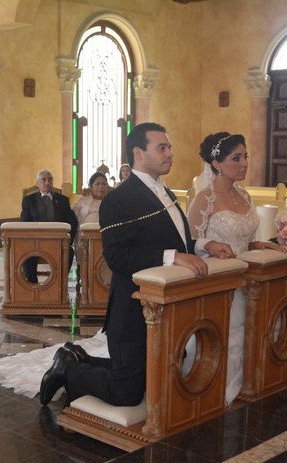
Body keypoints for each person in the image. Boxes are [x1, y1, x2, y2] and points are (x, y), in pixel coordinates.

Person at [36, 122, 234, 407]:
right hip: (132, 310)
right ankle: (69, 368)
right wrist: (172, 257)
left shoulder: (165, 192)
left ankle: (78, 357)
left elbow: (178, 240)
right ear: (138, 152)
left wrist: (204, 245)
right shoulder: (119, 199)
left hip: (167, 304)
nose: (170, 153)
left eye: (170, 147)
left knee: (154, 374)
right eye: (162, 147)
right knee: (126, 393)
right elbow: (118, 257)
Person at [187, 131, 286, 405]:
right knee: (229, 336)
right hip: (220, 279)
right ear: (217, 163)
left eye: (245, 157)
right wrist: (211, 244)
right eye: (236, 158)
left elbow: (243, 239)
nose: (244, 163)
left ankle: (251, 384)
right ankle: (215, 390)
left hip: (251, 277)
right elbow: (189, 241)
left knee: (257, 331)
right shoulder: (204, 198)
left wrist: (259, 244)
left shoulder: (244, 195)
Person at [20, 168, 78, 283]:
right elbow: (25, 222)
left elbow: (73, 221)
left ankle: (59, 284)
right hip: (35, 243)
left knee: (69, 252)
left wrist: (68, 241)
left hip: (58, 241)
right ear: (37, 183)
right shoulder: (29, 200)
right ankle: (33, 286)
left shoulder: (62, 200)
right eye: (44, 180)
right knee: (27, 254)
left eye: (50, 179)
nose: (47, 182)